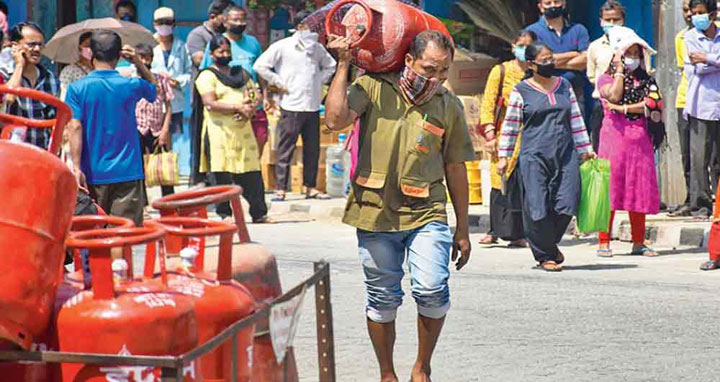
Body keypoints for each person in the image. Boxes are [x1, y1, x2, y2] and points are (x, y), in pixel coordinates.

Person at [325, 31, 474, 382]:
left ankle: (422, 367)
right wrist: (344, 64)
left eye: (444, 71)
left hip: (427, 212)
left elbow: (455, 167)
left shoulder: (448, 105)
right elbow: (334, 120)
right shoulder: (373, 88)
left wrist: (463, 229)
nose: (436, 78)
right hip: (374, 211)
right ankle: (387, 373)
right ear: (408, 61)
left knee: (432, 288)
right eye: (430, 68)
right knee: (382, 299)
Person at [498, 42, 596, 272]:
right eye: (544, 60)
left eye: (551, 58)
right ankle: (545, 255)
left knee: (568, 202)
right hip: (534, 156)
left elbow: (576, 120)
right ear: (531, 65)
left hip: (565, 154)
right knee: (537, 206)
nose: (550, 63)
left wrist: (585, 149)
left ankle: (548, 244)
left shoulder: (564, 85)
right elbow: (511, 126)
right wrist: (504, 156)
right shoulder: (521, 91)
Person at [66, 30, 157, 226]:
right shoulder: (131, 84)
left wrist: (75, 166)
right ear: (119, 55)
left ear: (91, 53)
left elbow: (74, 127)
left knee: (92, 233)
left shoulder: (76, 88)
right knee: (122, 233)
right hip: (128, 171)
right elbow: (153, 89)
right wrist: (138, 62)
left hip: (92, 172)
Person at [254, 11, 337, 201]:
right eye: (310, 27)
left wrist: (319, 82)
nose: (313, 31)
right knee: (286, 149)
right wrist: (279, 82)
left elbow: (330, 66)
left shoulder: (317, 48)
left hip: (312, 106)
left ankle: (310, 186)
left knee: (312, 150)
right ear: (299, 27)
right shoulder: (283, 46)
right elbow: (260, 66)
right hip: (290, 105)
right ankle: (281, 189)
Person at [596, 27, 660, 258]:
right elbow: (611, 95)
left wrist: (624, 108)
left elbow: (652, 105)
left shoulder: (647, 80)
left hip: (639, 139)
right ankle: (604, 242)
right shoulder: (605, 78)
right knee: (610, 190)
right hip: (613, 138)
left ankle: (638, 242)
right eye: (628, 53)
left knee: (638, 189)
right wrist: (620, 73)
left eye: (636, 53)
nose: (633, 57)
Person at [195, 35, 273, 224]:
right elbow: (210, 103)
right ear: (212, 54)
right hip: (219, 133)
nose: (225, 54)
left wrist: (250, 110)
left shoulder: (242, 74)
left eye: (227, 51)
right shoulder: (207, 75)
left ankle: (259, 213)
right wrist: (238, 107)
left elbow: (254, 94)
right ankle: (225, 214)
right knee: (220, 174)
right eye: (220, 51)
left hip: (243, 132)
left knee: (251, 173)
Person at [478, 30, 536, 248]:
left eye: (528, 46)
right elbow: (488, 103)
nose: (523, 49)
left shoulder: (535, 73)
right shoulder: (500, 71)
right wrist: (490, 133)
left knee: (522, 185)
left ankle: (518, 233)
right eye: (520, 45)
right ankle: (494, 229)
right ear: (513, 46)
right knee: (499, 182)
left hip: (529, 135)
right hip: (504, 134)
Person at [675, 0, 720, 218]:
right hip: (700, 104)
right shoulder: (689, 37)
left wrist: (707, 58)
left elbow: (703, 63)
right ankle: (702, 203)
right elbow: (695, 69)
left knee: (717, 158)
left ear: (712, 14)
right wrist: (712, 62)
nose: (695, 17)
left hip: (718, 103)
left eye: (700, 13)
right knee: (699, 156)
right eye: (693, 13)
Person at [0, 22, 60, 150]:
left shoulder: (50, 79)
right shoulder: (4, 75)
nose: (37, 49)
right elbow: (9, 98)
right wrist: (19, 66)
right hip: (11, 154)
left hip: (41, 153)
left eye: (40, 45)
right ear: (15, 46)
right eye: (31, 44)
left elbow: (55, 120)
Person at [525, 0, 590, 117]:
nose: (553, 6)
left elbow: (585, 60)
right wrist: (574, 54)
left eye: (556, 2)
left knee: (578, 132)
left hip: (575, 91)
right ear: (540, 7)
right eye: (548, 3)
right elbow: (534, 63)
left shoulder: (579, 29)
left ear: (564, 4)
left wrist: (547, 62)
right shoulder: (531, 32)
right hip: (543, 92)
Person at [135, 43, 175, 197]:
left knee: (164, 169)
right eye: (141, 58)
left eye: (148, 58)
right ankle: (142, 204)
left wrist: (165, 130)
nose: (145, 62)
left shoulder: (160, 79)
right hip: (137, 128)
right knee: (138, 170)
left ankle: (169, 204)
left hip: (157, 129)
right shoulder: (131, 80)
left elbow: (168, 105)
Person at [587, 1, 628, 151]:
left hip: (628, 104)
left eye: (616, 20)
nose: (612, 23)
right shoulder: (595, 47)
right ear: (601, 21)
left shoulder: (634, 45)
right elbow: (592, 76)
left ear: (623, 21)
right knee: (601, 149)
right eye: (607, 20)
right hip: (602, 104)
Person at [151, 7, 193, 140]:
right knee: (152, 139)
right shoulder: (148, 44)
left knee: (171, 140)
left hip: (175, 99)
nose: (164, 25)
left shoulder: (181, 46)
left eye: (167, 22)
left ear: (174, 24)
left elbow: (189, 72)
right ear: (154, 25)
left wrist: (178, 81)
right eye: (160, 22)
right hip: (153, 100)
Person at [670, 0, 695, 214]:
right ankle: (692, 198)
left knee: (712, 157)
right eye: (685, 10)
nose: (689, 14)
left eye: (693, 11)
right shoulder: (680, 37)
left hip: (711, 101)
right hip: (686, 99)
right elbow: (684, 70)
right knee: (687, 153)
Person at [187, 0, 231, 68]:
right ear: (212, 17)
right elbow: (199, 61)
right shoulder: (197, 34)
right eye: (226, 18)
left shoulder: (230, 34)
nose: (229, 22)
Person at [59, 32, 93, 100]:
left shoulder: (100, 69)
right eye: (87, 45)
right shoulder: (70, 70)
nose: (90, 49)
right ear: (79, 48)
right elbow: (64, 95)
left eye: (93, 46)